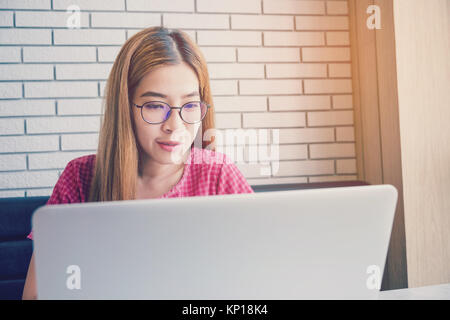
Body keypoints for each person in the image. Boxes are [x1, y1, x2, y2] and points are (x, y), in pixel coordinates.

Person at [22, 27, 253, 300]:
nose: (174, 126)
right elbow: (36, 295)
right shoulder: (80, 178)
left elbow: (258, 276)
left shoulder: (218, 175)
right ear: (124, 108)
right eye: (155, 105)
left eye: (190, 106)